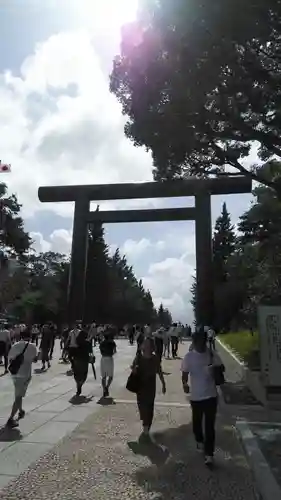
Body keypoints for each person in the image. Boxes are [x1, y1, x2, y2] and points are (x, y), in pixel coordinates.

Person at [181, 328, 224, 466]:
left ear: (205, 341)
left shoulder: (212, 354)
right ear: (194, 341)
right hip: (196, 397)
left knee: (210, 426)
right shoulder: (189, 357)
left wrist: (215, 368)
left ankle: (209, 454)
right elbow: (184, 372)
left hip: (211, 396)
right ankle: (199, 440)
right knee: (197, 424)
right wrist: (184, 384)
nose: (200, 344)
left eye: (202, 341)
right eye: (197, 341)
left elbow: (222, 368)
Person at [131, 337, 166, 441]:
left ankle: (146, 425)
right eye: (144, 343)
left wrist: (164, 384)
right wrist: (134, 369)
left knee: (149, 406)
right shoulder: (138, 357)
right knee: (141, 405)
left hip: (151, 385)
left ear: (152, 347)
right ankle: (145, 422)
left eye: (148, 344)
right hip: (140, 385)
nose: (146, 346)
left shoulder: (155, 358)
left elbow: (159, 371)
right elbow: (133, 368)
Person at [6, 329, 38, 428]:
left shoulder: (15, 345)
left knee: (18, 394)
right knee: (19, 396)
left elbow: (10, 358)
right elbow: (35, 359)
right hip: (25, 373)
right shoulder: (33, 346)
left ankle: (20, 411)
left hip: (15, 373)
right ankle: (11, 418)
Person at [69, 325, 92, 396]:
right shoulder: (88, 343)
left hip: (76, 359)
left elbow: (73, 351)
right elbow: (90, 352)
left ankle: (78, 385)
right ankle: (80, 384)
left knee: (77, 374)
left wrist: (72, 361)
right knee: (84, 374)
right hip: (84, 360)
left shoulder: (77, 341)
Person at [99, 333, 117, 398]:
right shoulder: (112, 343)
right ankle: (107, 387)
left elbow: (101, 352)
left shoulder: (102, 343)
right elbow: (115, 351)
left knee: (103, 376)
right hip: (109, 359)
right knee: (110, 376)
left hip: (103, 358)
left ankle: (104, 389)